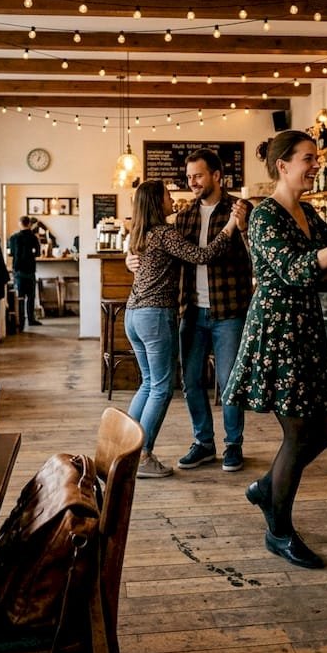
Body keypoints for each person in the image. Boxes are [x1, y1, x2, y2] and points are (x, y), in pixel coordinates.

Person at [223, 130, 327, 569]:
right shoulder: (266, 216)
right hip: (277, 332)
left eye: (318, 158)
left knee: (325, 430)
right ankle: (278, 530)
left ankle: (268, 488)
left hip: (305, 329)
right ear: (283, 166)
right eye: (309, 158)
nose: (316, 165)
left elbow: (322, 261)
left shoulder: (305, 212)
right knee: (300, 432)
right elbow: (296, 269)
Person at [125, 180, 244, 479]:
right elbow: (202, 256)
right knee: (162, 388)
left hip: (133, 315)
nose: (172, 197)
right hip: (155, 316)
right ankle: (142, 455)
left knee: (148, 383)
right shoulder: (165, 233)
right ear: (155, 202)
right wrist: (230, 226)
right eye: (166, 194)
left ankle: (124, 449)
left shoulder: (138, 233)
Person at [173, 148, 254, 474]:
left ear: (217, 176)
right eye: (189, 176)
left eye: (198, 175)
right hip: (192, 311)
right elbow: (167, 251)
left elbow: (255, 253)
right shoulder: (185, 216)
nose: (192, 181)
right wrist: (130, 259)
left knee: (230, 381)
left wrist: (245, 227)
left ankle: (233, 445)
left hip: (229, 310)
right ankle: (204, 443)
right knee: (191, 380)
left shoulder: (239, 210)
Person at [7, 216, 42, 327]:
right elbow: (38, 253)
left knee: (20, 297)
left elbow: (11, 253)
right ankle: (31, 319)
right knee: (31, 297)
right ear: (29, 224)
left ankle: (20, 321)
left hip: (18, 269)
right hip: (30, 269)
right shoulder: (34, 237)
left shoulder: (13, 238)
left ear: (20, 224)